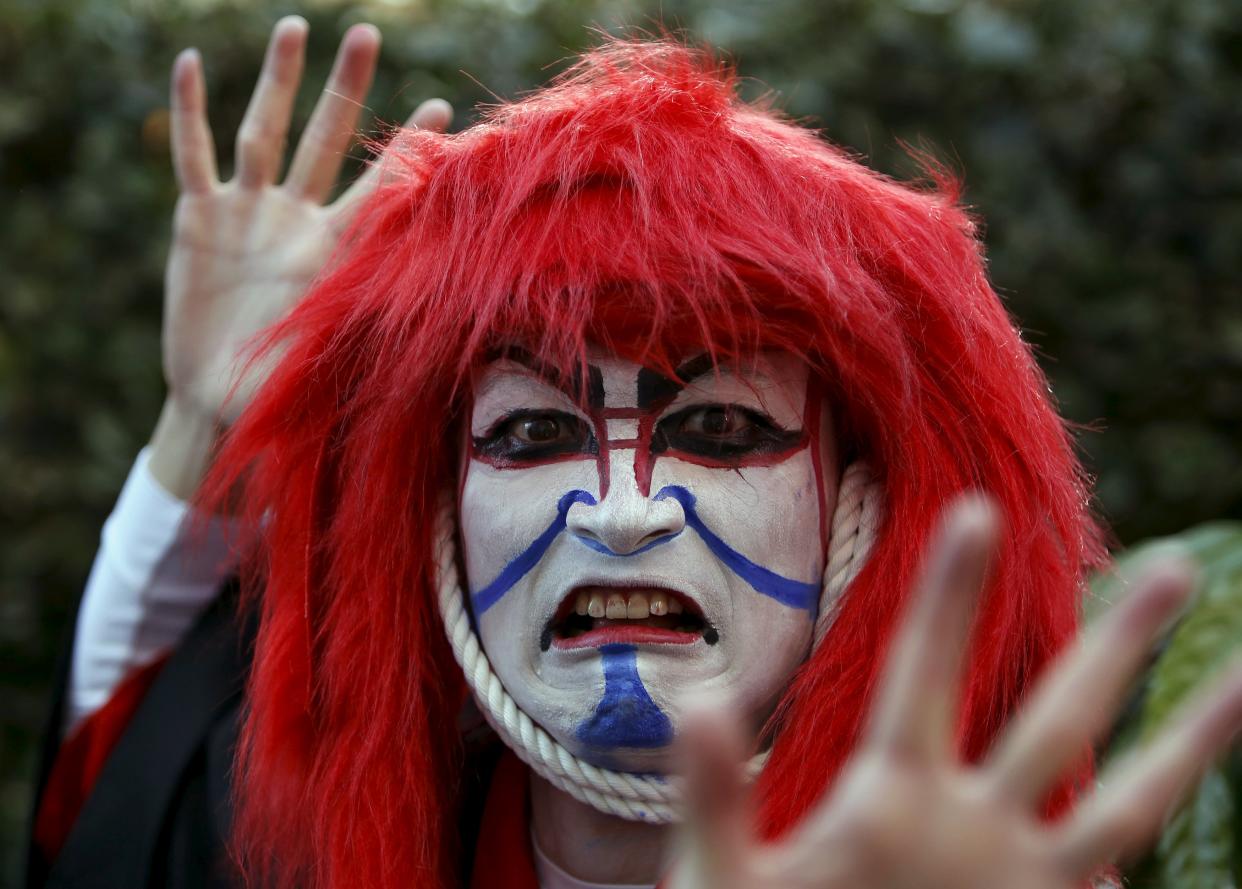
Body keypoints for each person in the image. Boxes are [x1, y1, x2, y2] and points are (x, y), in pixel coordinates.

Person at [28, 15, 1242, 889]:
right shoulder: (269, 853)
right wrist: (208, 421)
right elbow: (120, 806)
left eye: (719, 429)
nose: (620, 511)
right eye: (532, 432)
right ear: (436, 504)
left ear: (864, 508)